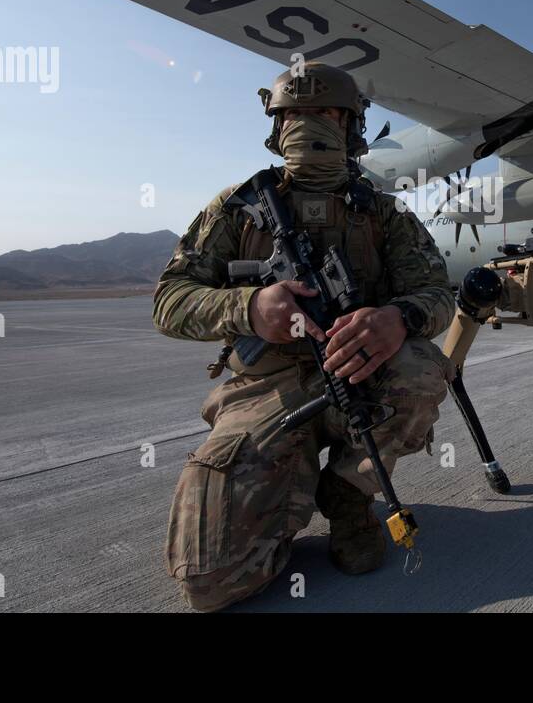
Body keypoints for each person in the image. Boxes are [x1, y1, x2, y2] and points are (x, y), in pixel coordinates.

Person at [152, 61, 457, 612]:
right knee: (210, 583)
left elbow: (437, 295)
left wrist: (398, 319)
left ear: (350, 127)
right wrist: (248, 306)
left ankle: (347, 494)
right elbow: (169, 301)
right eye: (295, 113)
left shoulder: (384, 215)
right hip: (265, 385)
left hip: (357, 371)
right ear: (276, 125)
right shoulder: (238, 208)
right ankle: (281, 489)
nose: (308, 125)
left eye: (324, 113)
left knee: (421, 368)